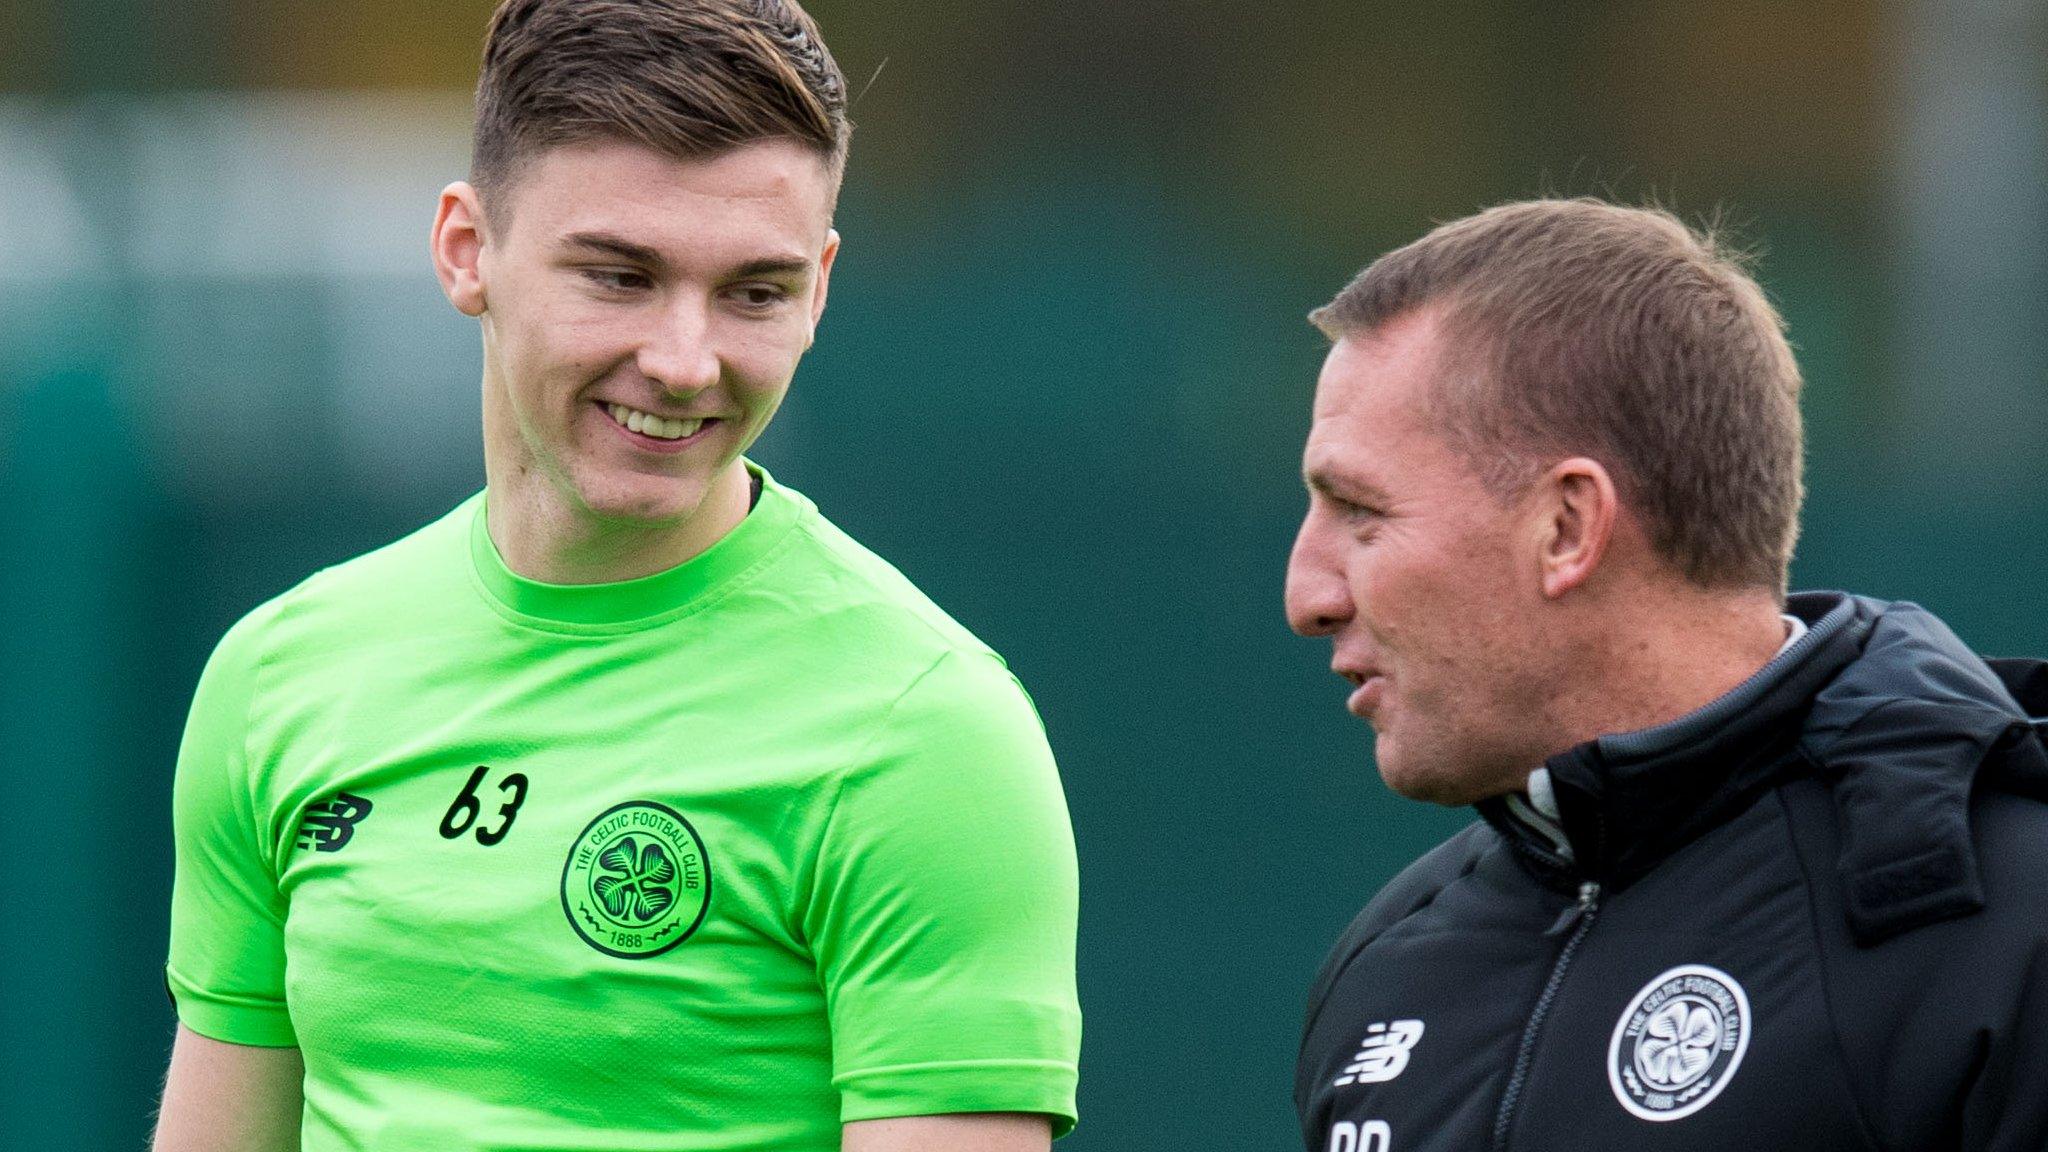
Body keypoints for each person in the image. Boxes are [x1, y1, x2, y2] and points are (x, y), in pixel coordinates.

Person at [154, 2, 1081, 1149]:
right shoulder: (279, 675)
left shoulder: (923, 730)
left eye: (754, 292)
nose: (685, 362)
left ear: (821, 288)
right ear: (465, 250)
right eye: (620, 276)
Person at [1284, 199, 2048, 1151]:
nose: (1306, 593)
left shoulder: (2005, 920)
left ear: (1566, 527)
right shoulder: (1392, 964)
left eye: (1361, 512)